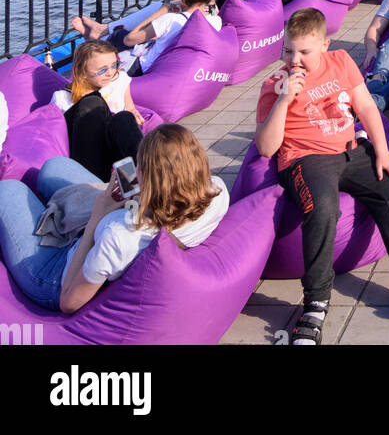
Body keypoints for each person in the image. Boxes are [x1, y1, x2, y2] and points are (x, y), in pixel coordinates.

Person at [255, 7, 389, 344]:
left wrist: (382, 151)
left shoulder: (340, 62)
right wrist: (283, 100)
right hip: (305, 158)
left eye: (305, 52)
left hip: (351, 151)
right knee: (323, 209)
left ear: (325, 45)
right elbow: (266, 148)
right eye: (289, 51)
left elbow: (366, 107)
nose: (295, 60)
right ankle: (315, 303)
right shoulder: (274, 83)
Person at [0, 124, 228, 314]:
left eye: (140, 168)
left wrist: (98, 216)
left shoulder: (119, 235)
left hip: (57, 275)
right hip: (135, 213)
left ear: (153, 180)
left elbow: (68, 302)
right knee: (54, 166)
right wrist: (142, 197)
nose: (136, 171)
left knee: (8, 189)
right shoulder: (217, 190)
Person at [51, 41, 144, 182]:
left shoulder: (119, 80)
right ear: (82, 72)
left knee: (123, 117)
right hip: (90, 156)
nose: (110, 72)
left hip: (117, 152)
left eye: (114, 65)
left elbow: (129, 106)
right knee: (92, 103)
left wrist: (133, 113)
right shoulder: (62, 97)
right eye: (102, 70)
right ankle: (98, 186)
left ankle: (138, 182)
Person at [120, 0, 221, 75]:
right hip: (177, 68)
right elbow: (212, 9)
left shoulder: (169, 20)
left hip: (145, 68)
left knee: (119, 36)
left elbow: (128, 40)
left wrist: (160, 13)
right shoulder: (215, 21)